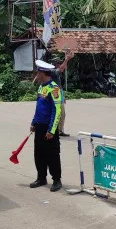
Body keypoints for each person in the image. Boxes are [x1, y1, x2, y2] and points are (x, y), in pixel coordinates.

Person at [29, 60, 63, 192]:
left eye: (38, 72)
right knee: (39, 154)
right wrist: (33, 122)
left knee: (52, 155)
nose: (36, 74)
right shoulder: (41, 86)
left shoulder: (54, 88)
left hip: (49, 128)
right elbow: (39, 107)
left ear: (43, 73)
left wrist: (51, 130)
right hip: (39, 126)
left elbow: (57, 111)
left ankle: (56, 180)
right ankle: (41, 177)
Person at [48, 50, 74, 137]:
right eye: (59, 63)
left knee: (60, 114)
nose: (60, 64)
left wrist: (63, 97)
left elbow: (59, 86)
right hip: (55, 96)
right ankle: (57, 131)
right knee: (60, 114)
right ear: (55, 64)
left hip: (59, 95)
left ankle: (59, 130)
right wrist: (66, 59)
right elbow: (62, 68)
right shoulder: (53, 71)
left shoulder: (56, 73)